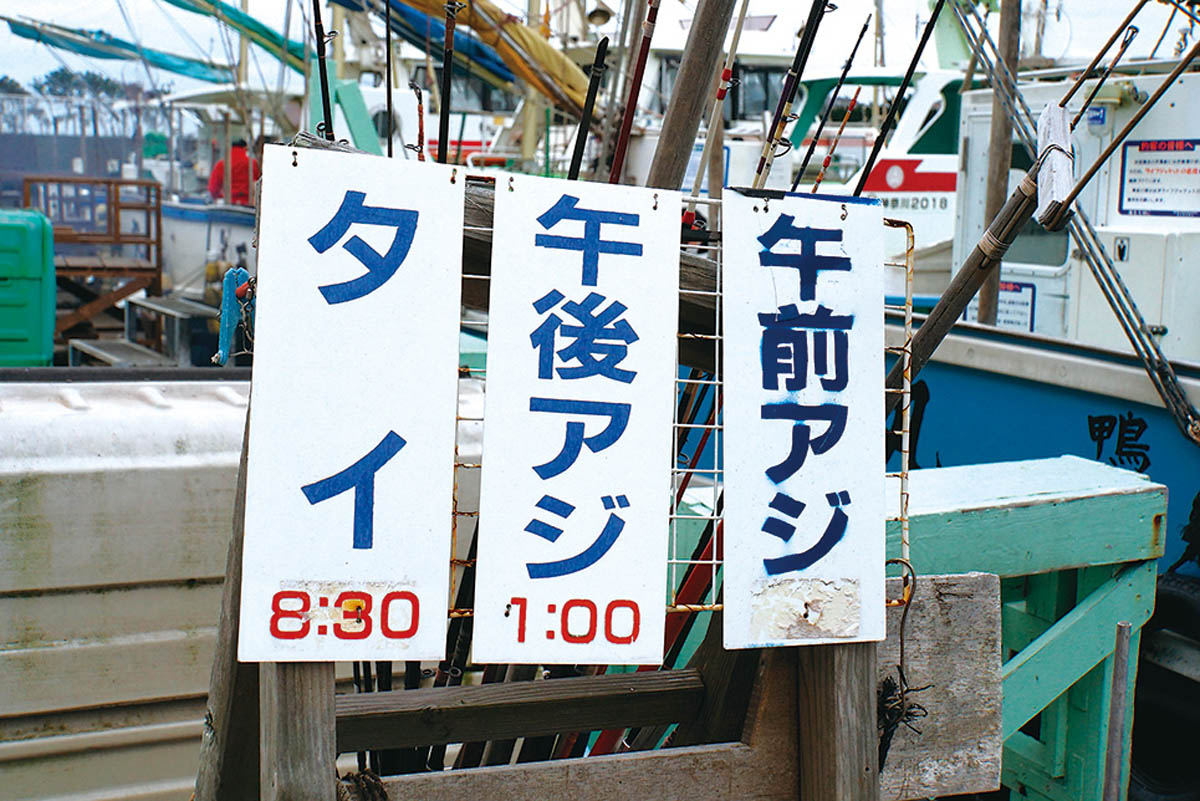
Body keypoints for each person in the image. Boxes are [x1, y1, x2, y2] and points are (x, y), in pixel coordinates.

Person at [208, 138, 262, 205]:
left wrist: (219, 196)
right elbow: (260, 183)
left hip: (228, 202)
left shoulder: (222, 164)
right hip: (248, 203)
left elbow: (213, 188)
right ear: (245, 148)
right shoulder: (252, 163)